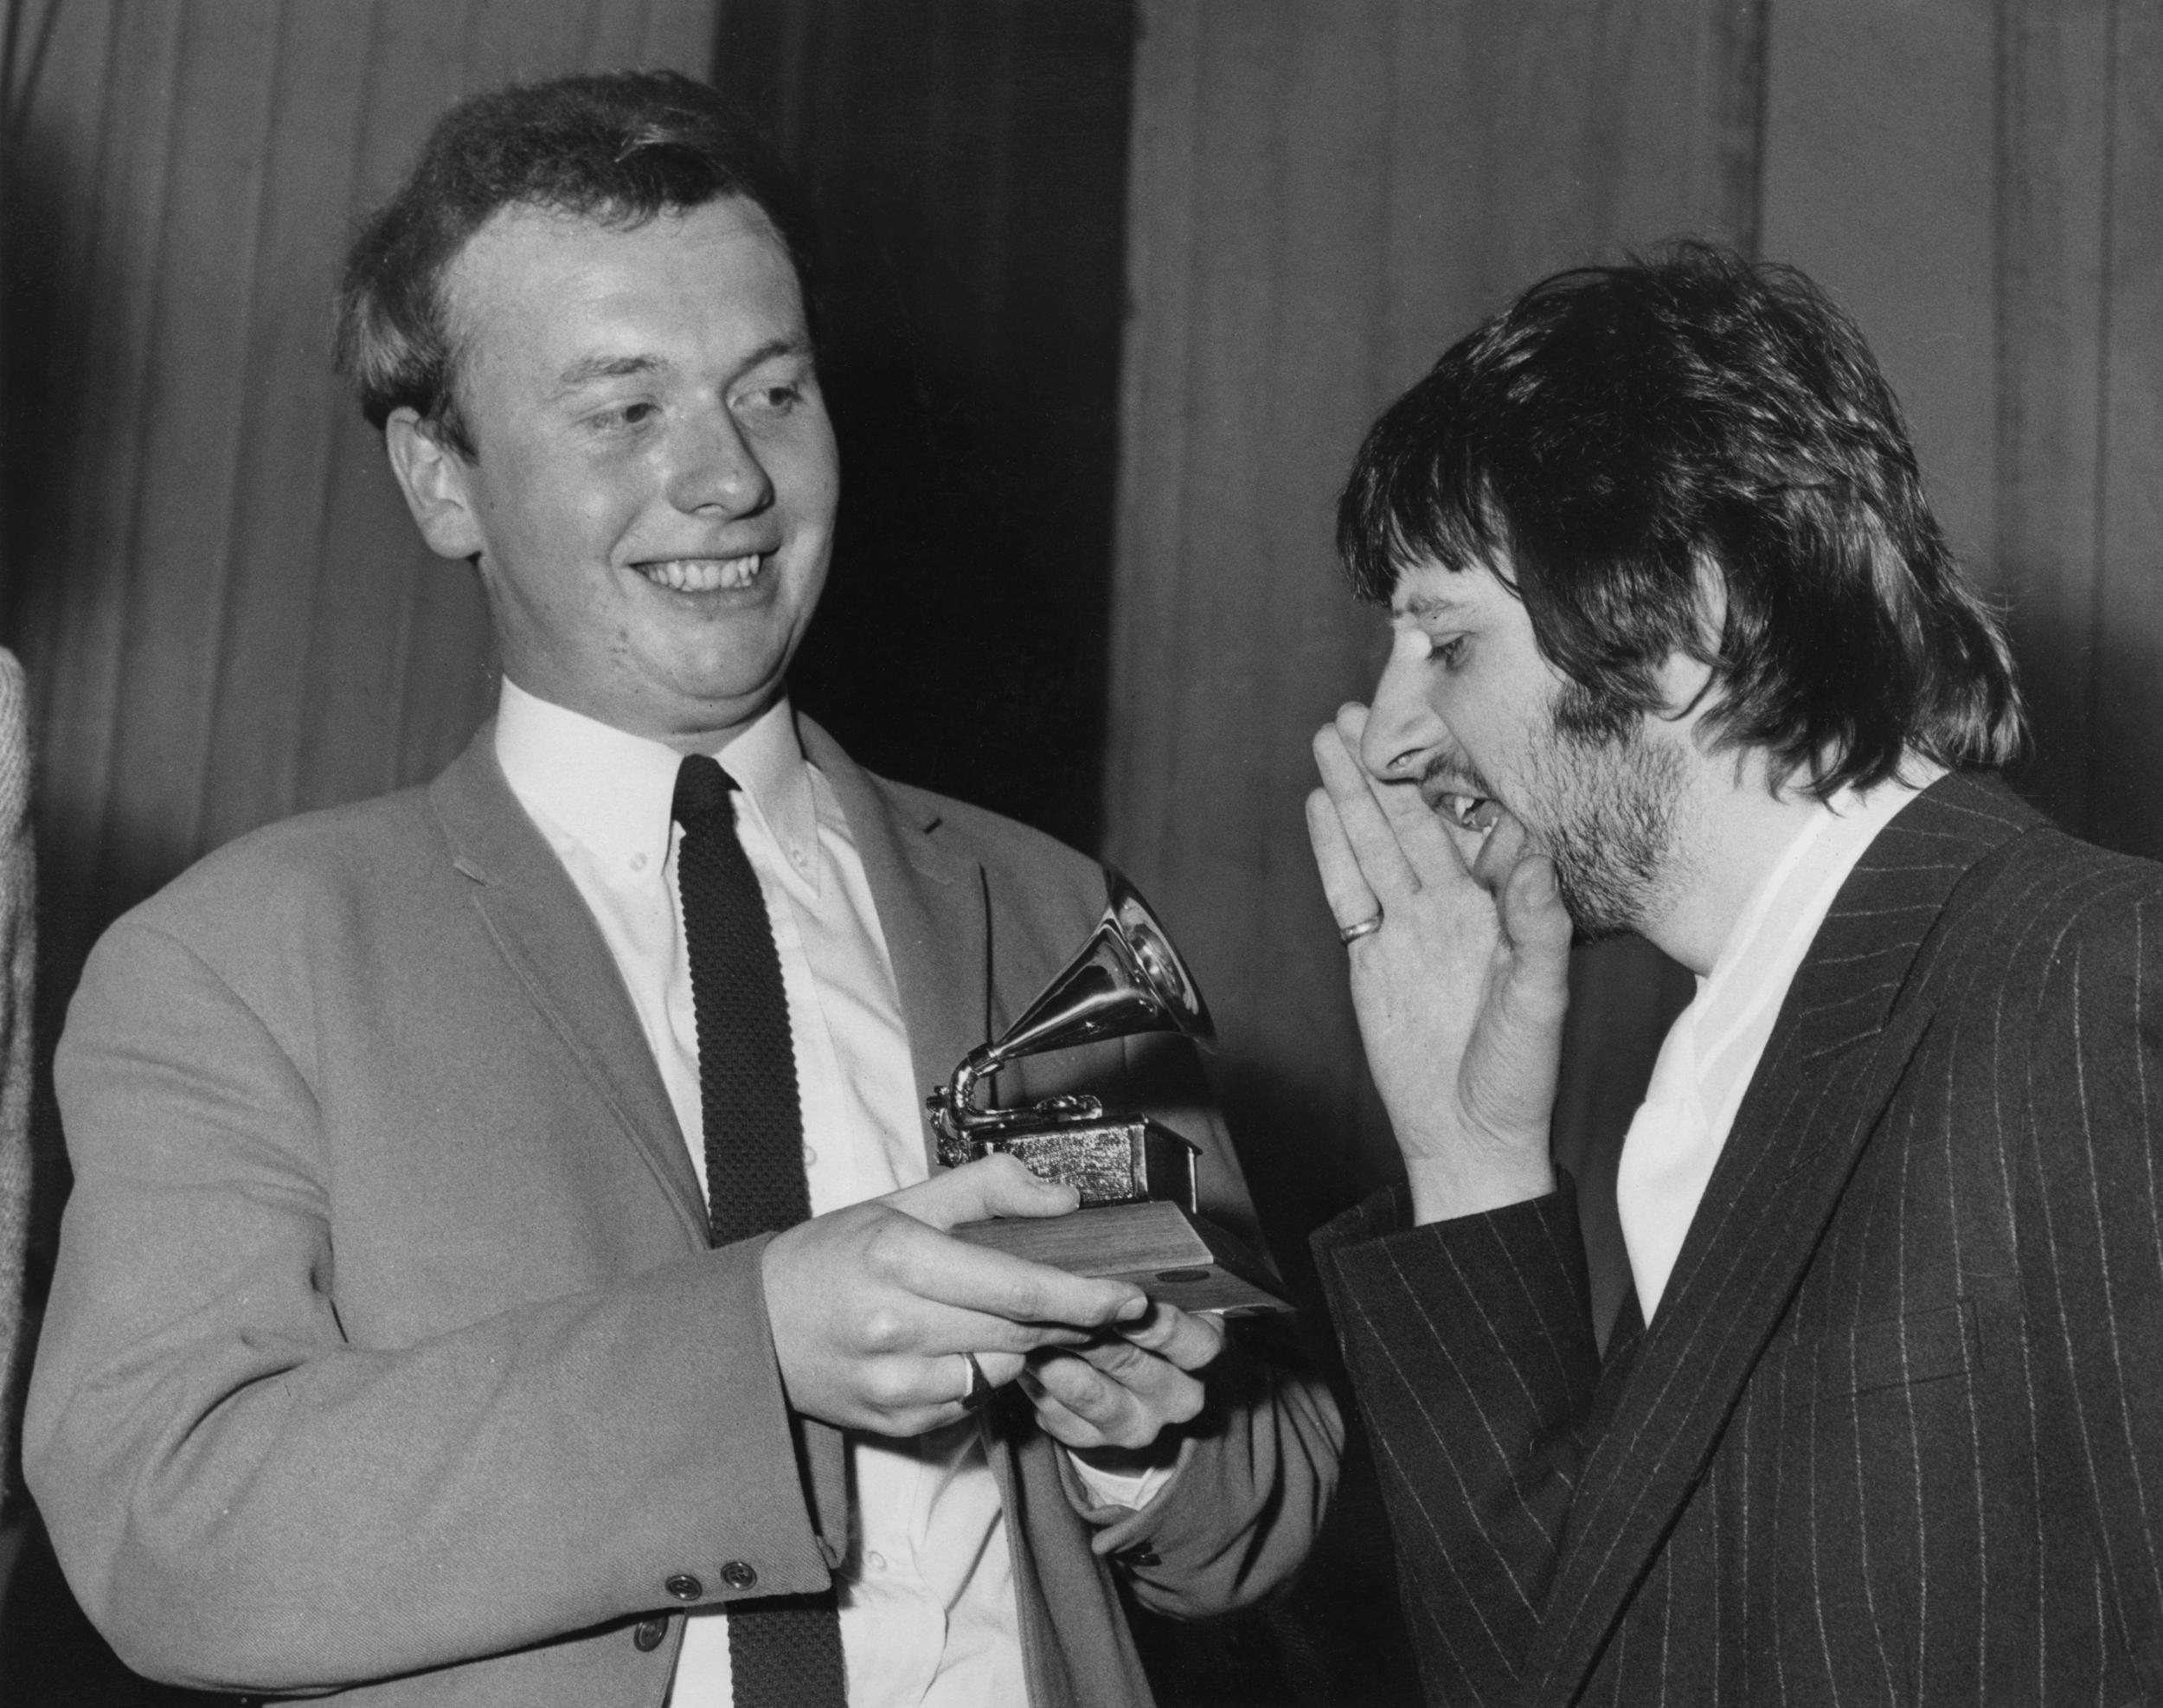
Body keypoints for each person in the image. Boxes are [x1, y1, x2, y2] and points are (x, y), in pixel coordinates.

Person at [24, 70, 1337, 1707]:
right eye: (623, 407)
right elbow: (168, 1527)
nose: (728, 480)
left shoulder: (1050, 910)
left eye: (771, 393)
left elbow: (1264, 1497)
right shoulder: (238, 960)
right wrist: (757, 1350)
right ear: (443, 479)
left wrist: (1146, 1437)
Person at [1304, 241, 2163, 1704]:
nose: (1389, 732)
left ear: (1685, 618)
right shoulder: (1729, 1057)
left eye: (1445, 642)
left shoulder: (2086, 982)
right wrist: (1468, 1157)